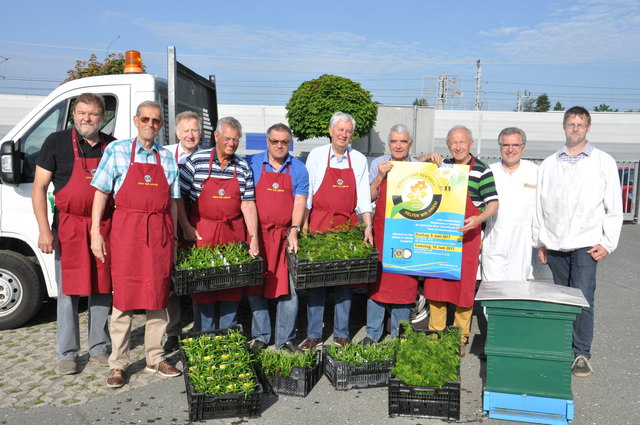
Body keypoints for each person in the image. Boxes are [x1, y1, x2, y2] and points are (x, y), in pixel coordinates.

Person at [90, 100, 182, 388]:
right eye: (146, 119)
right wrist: (95, 232)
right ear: (136, 120)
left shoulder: (167, 158)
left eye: (156, 121)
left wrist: (175, 238)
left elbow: (173, 203)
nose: (150, 125)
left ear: (161, 125)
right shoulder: (117, 151)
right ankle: (118, 364)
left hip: (159, 232)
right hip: (127, 231)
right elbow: (101, 194)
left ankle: (155, 357)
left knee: (158, 297)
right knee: (124, 300)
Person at [533, 106, 622, 377]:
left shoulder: (602, 161)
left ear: (588, 127)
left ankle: (581, 353)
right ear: (564, 126)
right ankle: (562, 349)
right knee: (561, 299)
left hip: (586, 243)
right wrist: (541, 241)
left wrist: (608, 243)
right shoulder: (550, 163)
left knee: (582, 298)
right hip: (556, 243)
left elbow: (614, 205)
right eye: (571, 124)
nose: (575, 129)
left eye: (580, 125)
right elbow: (540, 204)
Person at [32, 93, 114, 375]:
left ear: (102, 117)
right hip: (67, 228)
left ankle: (100, 347)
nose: (86, 118)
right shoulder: (55, 142)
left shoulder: (111, 147)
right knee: (68, 292)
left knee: (102, 288)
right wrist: (44, 230)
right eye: (81, 113)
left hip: (103, 227)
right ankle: (67, 353)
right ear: (74, 115)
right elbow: (39, 188)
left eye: (92, 114)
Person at [177, 116, 259, 332]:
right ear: (216, 136)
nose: (231, 143)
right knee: (203, 284)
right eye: (227, 138)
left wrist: (253, 237)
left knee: (232, 283)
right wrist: (186, 227)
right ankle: (204, 336)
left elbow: (248, 204)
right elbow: (177, 198)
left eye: (236, 139)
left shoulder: (242, 166)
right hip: (203, 231)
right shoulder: (196, 161)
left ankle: (227, 337)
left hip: (233, 233)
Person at [361, 124, 442, 344]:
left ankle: (400, 335)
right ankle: (372, 334)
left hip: (409, 236)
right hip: (383, 234)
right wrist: (380, 176)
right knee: (377, 286)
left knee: (405, 287)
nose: (398, 145)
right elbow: (367, 197)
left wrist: (436, 162)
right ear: (389, 143)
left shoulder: (419, 166)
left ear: (410, 144)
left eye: (403, 141)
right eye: (394, 141)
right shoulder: (378, 163)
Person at [300, 112, 373, 350]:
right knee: (316, 282)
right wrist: (304, 224)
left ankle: (342, 333)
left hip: (348, 226)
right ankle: (314, 333)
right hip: (319, 223)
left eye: (348, 131)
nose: (344, 135)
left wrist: (368, 225)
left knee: (346, 281)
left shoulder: (359, 159)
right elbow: (308, 191)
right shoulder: (317, 155)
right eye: (340, 130)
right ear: (331, 131)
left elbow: (363, 194)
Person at [423, 125, 499, 356]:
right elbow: (412, 166)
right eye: (453, 143)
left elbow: (493, 204)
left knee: (464, 289)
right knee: (436, 284)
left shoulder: (481, 169)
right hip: (439, 236)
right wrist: (428, 158)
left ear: (470, 144)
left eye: (462, 142)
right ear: (448, 145)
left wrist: (478, 219)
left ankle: (459, 337)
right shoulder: (441, 166)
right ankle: (435, 334)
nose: (458, 147)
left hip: (467, 236)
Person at [245, 123, 309, 352]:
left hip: (284, 236)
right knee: (255, 287)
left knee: (289, 289)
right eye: (275, 141)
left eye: (284, 142)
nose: (280, 146)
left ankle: (285, 339)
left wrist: (294, 230)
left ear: (290, 142)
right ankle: (261, 335)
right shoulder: (251, 164)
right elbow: (246, 199)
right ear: (267, 142)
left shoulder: (298, 168)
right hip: (258, 235)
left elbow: (300, 200)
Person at [162, 111, 203, 353]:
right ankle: (173, 331)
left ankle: (200, 327)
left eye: (195, 130)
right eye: (186, 130)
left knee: (199, 276)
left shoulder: (208, 156)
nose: (190, 134)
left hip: (199, 221)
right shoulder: (165, 155)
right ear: (177, 133)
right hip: (172, 223)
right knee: (171, 280)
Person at [482, 127, 538, 282]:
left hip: (523, 241)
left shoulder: (536, 172)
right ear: (500, 147)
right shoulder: (489, 172)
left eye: (515, 145)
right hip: (494, 239)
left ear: (523, 147)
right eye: (506, 145)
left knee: (516, 292)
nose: (510, 150)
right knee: (492, 291)